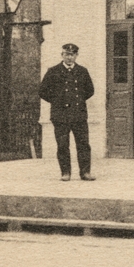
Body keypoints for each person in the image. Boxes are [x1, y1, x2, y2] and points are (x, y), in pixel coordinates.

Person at [39, 43, 96, 181]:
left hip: (78, 114)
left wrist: (78, 101)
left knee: (83, 145)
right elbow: (42, 91)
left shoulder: (82, 71)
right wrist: (57, 101)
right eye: (67, 54)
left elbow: (90, 90)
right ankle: (65, 173)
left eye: (72, 55)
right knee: (63, 145)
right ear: (62, 55)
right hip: (60, 115)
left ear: (76, 55)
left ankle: (85, 172)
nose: (69, 57)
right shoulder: (53, 71)